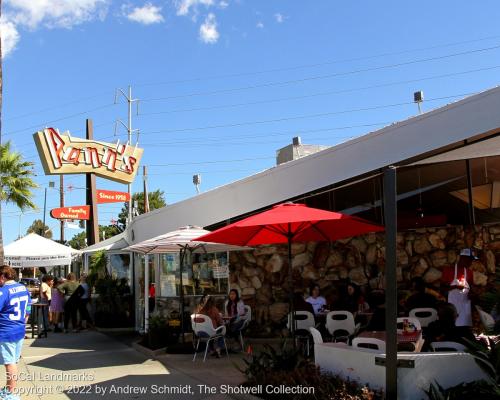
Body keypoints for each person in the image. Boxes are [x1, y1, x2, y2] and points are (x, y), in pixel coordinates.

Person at [0, 265, 32, 399]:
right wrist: (21, 325)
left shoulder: (3, 291)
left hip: (6, 331)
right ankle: (9, 388)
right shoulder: (23, 288)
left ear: (2, 277)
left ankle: (11, 393)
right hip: (19, 330)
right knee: (13, 361)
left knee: (10, 363)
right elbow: (28, 310)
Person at [441, 248, 476, 327]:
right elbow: (442, 290)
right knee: (452, 328)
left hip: (465, 308)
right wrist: (455, 287)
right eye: (469, 260)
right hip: (452, 309)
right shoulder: (448, 270)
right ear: (462, 258)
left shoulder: (469, 273)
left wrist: (472, 295)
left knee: (464, 329)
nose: (471, 263)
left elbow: (471, 290)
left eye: (471, 260)